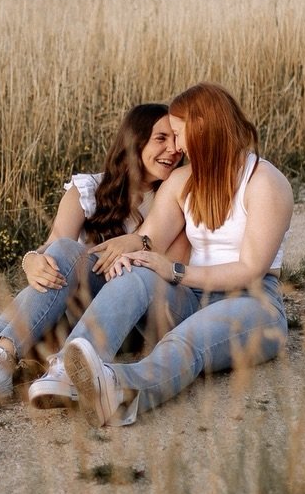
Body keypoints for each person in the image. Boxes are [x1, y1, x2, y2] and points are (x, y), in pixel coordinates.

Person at [0, 104, 183, 406]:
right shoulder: (90, 189)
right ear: (134, 142)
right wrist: (31, 259)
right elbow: (55, 245)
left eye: (175, 139)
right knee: (42, 287)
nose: (173, 149)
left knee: (39, 295)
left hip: (122, 317)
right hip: (67, 306)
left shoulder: (172, 197)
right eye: (161, 138)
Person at [59, 82, 292, 427]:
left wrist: (176, 271)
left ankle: (120, 390)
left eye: (180, 134)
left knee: (190, 337)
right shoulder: (183, 181)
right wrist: (131, 253)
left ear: (204, 129)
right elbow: (149, 238)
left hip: (254, 303)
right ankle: (70, 368)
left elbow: (250, 269)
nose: (177, 147)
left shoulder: (264, 183)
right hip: (193, 295)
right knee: (137, 273)